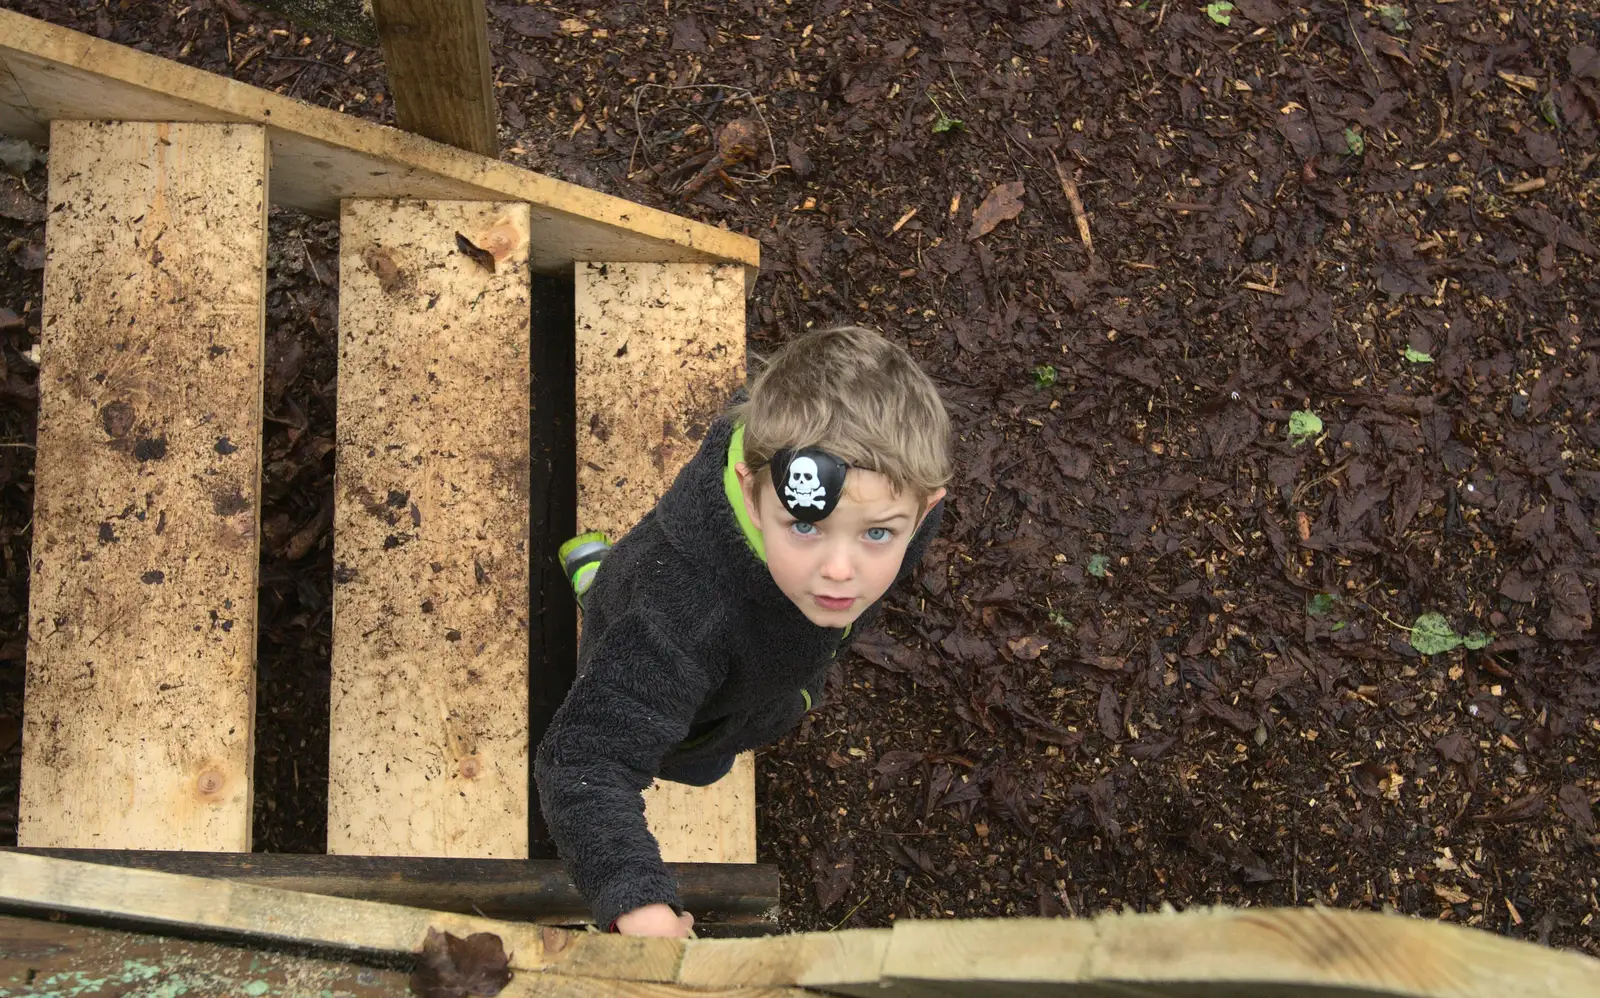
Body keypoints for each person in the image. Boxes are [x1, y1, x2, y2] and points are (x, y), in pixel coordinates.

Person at [535, 325, 951, 937]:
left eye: (878, 534)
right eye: (805, 529)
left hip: (706, 637)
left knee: (630, 602)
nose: (840, 571)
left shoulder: (867, 484)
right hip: (669, 648)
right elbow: (583, 757)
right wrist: (638, 904)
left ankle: (600, 575)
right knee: (692, 753)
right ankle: (599, 586)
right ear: (752, 500)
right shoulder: (685, 618)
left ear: (925, 506)